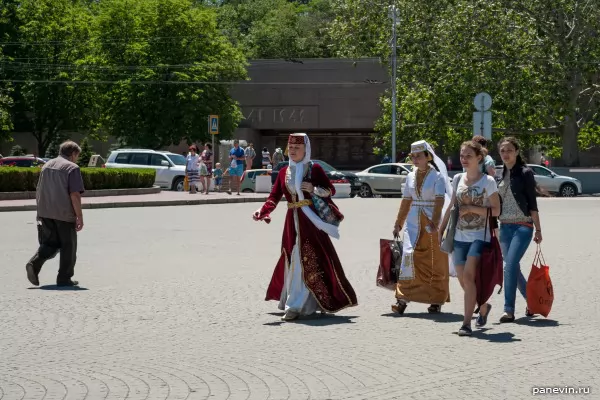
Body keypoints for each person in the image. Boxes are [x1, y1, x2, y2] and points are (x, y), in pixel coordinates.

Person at [252, 133, 357, 321]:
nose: (292, 151)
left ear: (305, 150)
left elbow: (330, 190)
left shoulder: (314, 168)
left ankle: (296, 306)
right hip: (291, 221)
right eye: (290, 148)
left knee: (306, 258)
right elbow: (274, 197)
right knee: (293, 259)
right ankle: (298, 301)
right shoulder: (284, 172)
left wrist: (313, 189)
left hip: (311, 222)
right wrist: (263, 211)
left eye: (296, 148)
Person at [439, 140, 501, 336]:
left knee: (468, 276)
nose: (464, 159)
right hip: (458, 236)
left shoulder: (488, 181)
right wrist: (440, 231)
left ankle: (466, 324)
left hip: (479, 237)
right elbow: (451, 207)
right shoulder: (457, 179)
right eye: (462, 155)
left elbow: (497, 210)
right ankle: (483, 307)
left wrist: (473, 208)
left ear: (479, 158)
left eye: (468, 156)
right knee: (464, 281)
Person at [391, 140, 452, 315]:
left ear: (428, 156)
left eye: (419, 156)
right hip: (412, 222)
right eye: (413, 156)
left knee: (434, 261)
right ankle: (402, 299)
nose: (415, 159)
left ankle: (436, 300)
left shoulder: (437, 176)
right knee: (408, 258)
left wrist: (434, 222)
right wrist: (398, 223)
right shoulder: (410, 176)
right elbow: (406, 201)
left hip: (431, 222)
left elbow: (439, 200)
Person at [25, 140, 85, 287]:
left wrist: (40, 211)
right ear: (73, 154)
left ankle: (34, 263)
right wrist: (79, 216)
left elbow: (39, 189)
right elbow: (75, 195)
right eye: (77, 155)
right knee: (68, 246)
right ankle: (64, 278)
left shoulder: (47, 165)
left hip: (46, 211)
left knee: (51, 243)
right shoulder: (72, 168)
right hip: (64, 213)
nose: (76, 159)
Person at [497, 137, 543, 322]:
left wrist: (538, 230)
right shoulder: (499, 175)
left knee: (509, 266)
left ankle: (509, 310)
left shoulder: (525, 172)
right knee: (512, 268)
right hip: (504, 228)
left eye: (509, 150)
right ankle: (531, 303)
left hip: (522, 226)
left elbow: (532, 202)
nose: (505, 154)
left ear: (516, 152)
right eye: (502, 151)